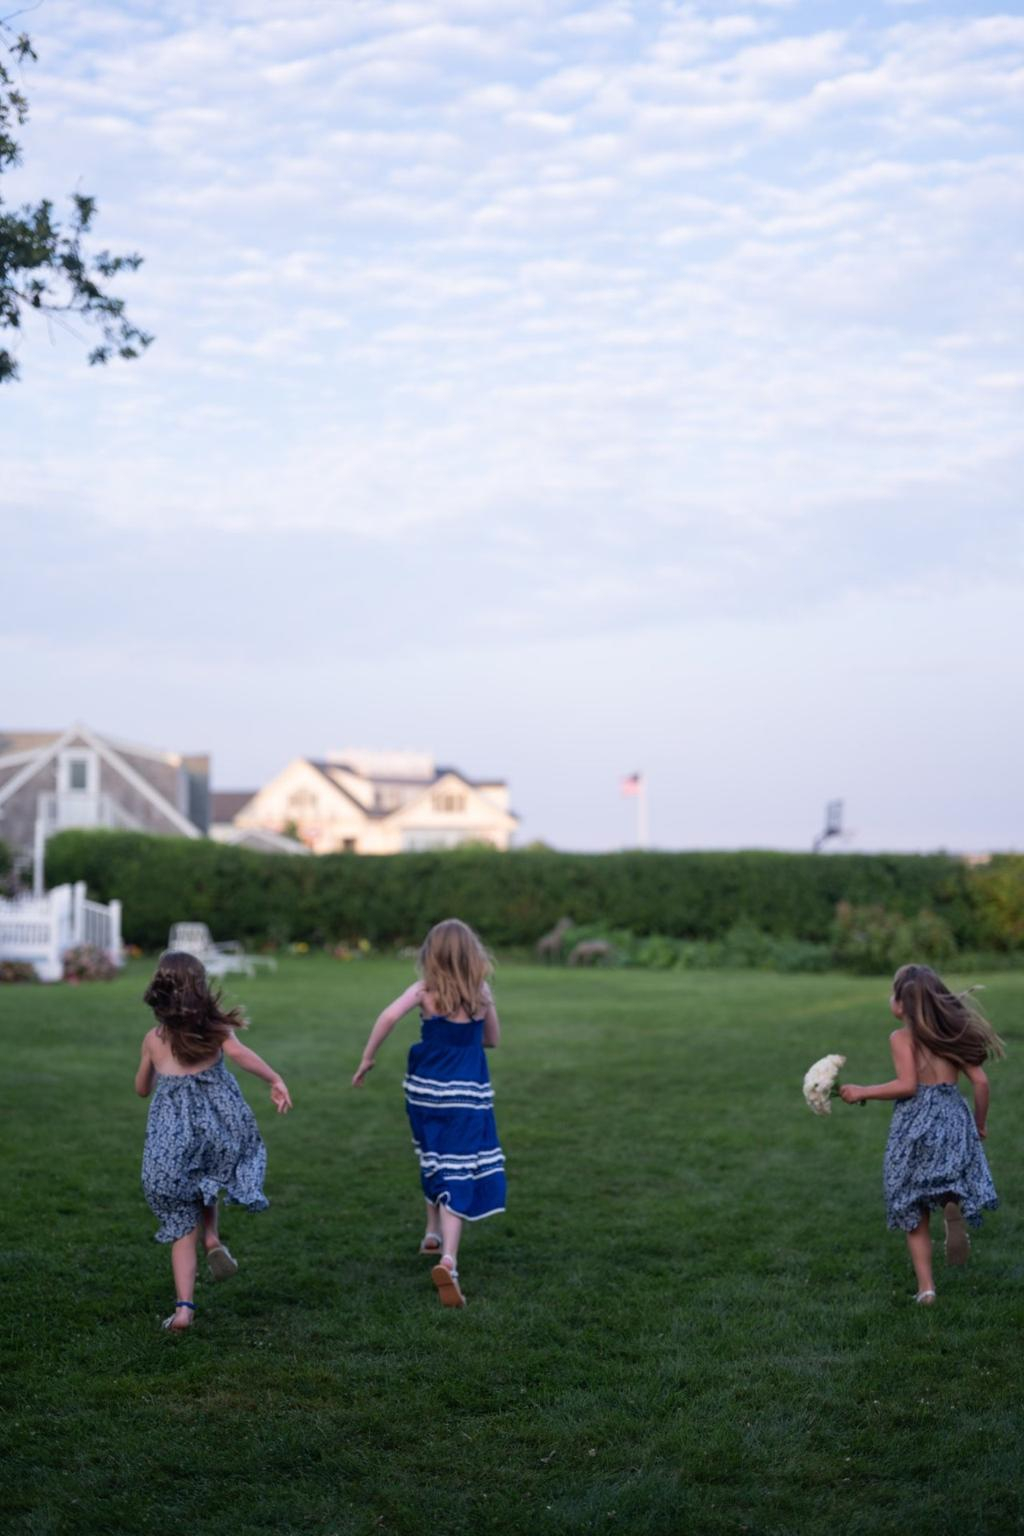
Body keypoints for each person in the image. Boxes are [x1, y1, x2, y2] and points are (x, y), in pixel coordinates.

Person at [136, 950, 292, 1330]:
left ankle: (185, 1309)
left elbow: (141, 1089)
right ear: (200, 989)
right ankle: (213, 1238)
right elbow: (241, 1055)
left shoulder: (154, 1040)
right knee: (210, 1179)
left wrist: (156, 1070)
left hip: (173, 1142)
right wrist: (274, 1079)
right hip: (219, 1131)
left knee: (181, 1221)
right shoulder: (215, 1031)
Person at [352, 918, 505, 1307]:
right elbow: (493, 1040)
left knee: (431, 1154)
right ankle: (449, 1260)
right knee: (458, 1167)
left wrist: (368, 1058)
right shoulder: (481, 993)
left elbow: (387, 1017)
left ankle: (431, 1232)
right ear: (473, 954)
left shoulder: (424, 991)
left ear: (430, 955)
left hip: (424, 1092)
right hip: (465, 1095)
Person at [839, 962, 1002, 1304]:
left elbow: (908, 1085)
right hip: (952, 1116)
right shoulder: (950, 1034)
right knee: (946, 1177)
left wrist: (862, 1091)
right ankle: (951, 1204)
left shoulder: (901, 1038)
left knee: (912, 1201)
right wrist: (979, 1123)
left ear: (902, 1004)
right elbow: (982, 1082)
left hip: (916, 1123)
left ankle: (926, 1288)